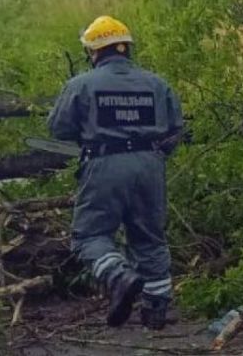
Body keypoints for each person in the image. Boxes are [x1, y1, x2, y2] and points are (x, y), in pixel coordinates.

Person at [47, 16, 184, 329]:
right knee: (150, 237)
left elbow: (59, 127)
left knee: (90, 236)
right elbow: (177, 129)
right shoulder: (156, 83)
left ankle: (119, 276)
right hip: (150, 163)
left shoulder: (81, 84)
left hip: (105, 163)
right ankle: (156, 309)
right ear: (126, 49)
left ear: (94, 52)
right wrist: (156, 154)